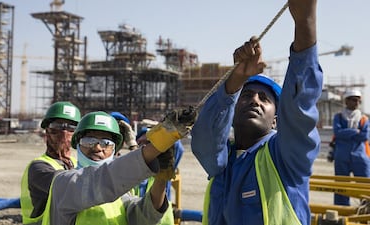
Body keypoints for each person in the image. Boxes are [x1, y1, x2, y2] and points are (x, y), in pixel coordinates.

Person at [191, 0, 322, 224]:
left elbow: (299, 108)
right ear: (231, 113)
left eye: (264, 98)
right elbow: (204, 136)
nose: (254, 101)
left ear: (276, 121)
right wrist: (236, 79)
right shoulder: (222, 162)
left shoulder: (286, 157)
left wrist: (304, 22)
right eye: (246, 95)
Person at [41, 110, 194, 225]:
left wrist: (162, 177)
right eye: (89, 141)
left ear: (115, 149)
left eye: (106, 143)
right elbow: (104, 179)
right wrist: (157, 145)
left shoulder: (122, 192)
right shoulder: (63, 183)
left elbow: (144, 217)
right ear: (77, 144)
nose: (98, 148)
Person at [20, 101, 81, 224]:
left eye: (71, 128)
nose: (64, 133)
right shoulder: (38, 167)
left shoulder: (76, 163)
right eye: (57, 126)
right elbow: (73, 189)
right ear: (46, 132)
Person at [332, 89, 370, 205]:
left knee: (364, 187)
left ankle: (365, 213)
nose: (357, 103)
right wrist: (356, 132)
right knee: (341, 187)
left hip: (360, 157)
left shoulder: (364, 119)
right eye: (354, 100)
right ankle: (342, 211)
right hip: (342, 157)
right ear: (346, 101)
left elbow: (364, 136)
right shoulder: (338, 117)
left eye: (359, 101)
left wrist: (347, 133)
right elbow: (337, 133)